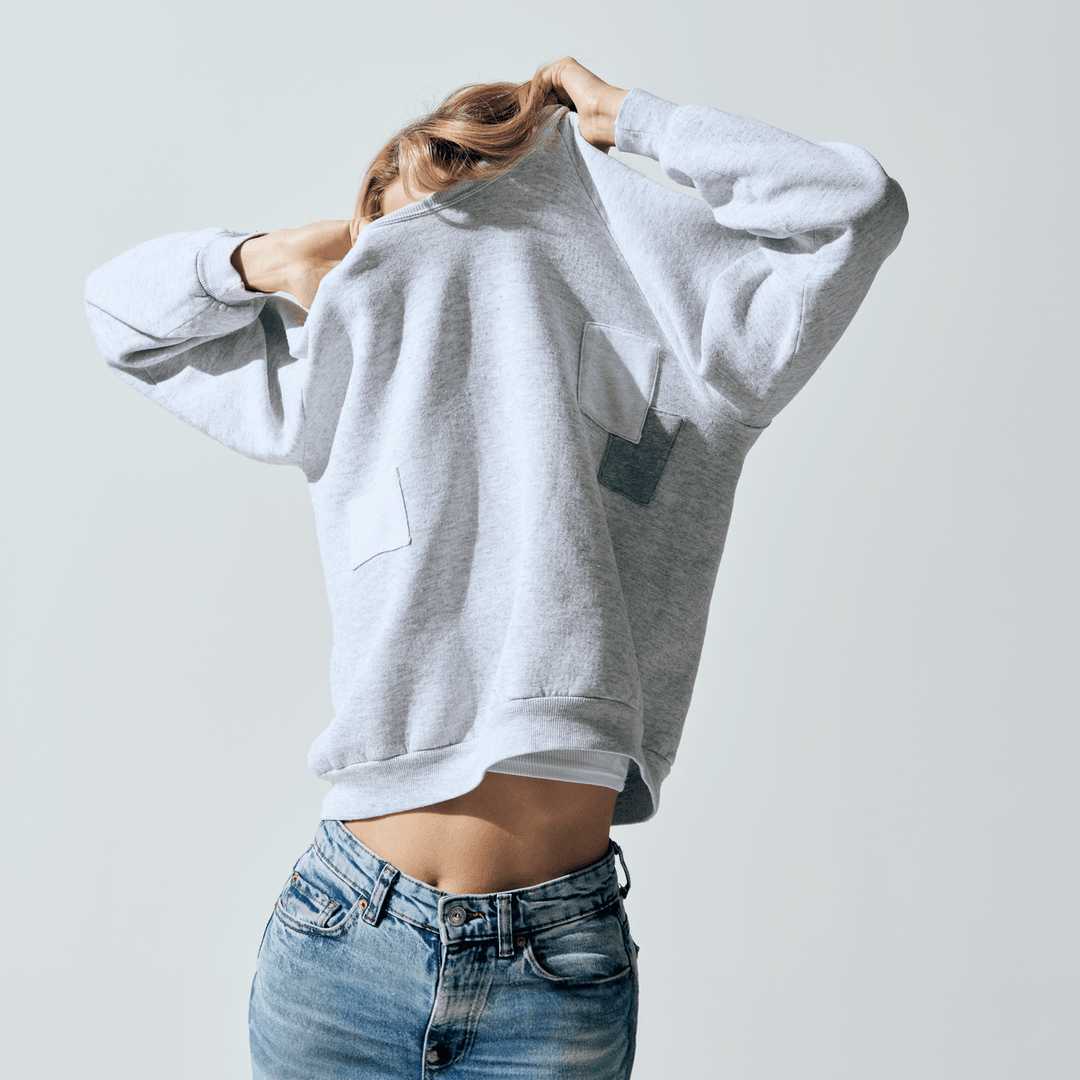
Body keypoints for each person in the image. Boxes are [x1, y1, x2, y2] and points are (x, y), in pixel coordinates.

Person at [81, 56, 907, 1079]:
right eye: (392, 244)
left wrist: (632, 119)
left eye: (455, 228)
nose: (423, 266)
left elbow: (856, 208)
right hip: (342, 933)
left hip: (554, 970)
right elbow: (122, 318)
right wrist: (270, 258)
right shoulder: (359, 366)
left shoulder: (694, 352)